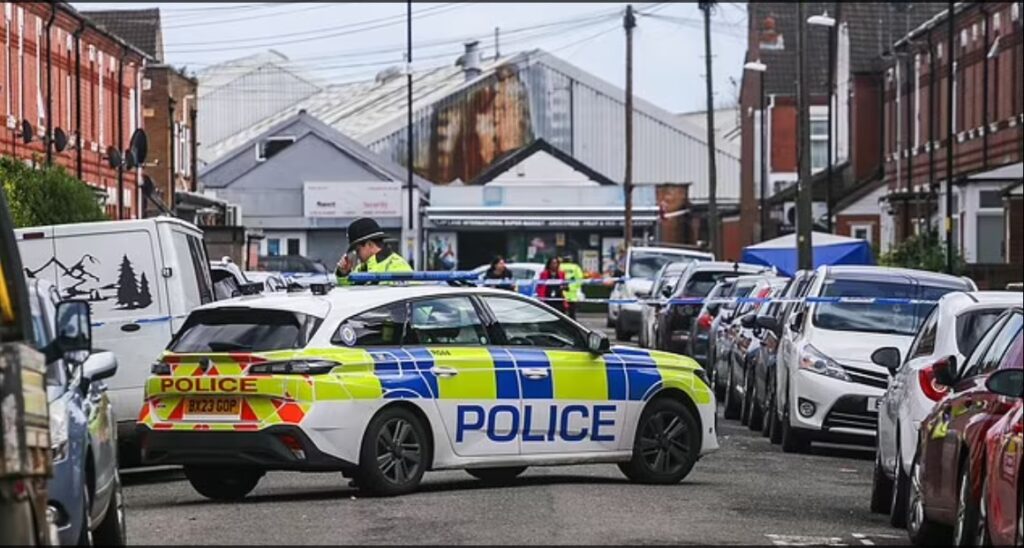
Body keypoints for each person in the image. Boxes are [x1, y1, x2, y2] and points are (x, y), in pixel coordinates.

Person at [335, 217, 412, 285]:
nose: (356, 254)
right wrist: (343, 273)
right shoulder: (363, 267)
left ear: (370, 244)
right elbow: (350, 291)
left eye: (358, 250)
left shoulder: (397, 266)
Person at [559, 254, 584, 319]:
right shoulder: (575, 267)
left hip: (561, 294)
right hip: (572, 294)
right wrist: (576, 288)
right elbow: (580, 278)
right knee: (572, 314)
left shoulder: (559, 267)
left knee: (560, 314)